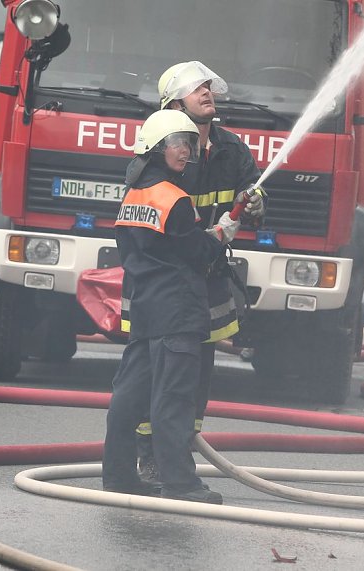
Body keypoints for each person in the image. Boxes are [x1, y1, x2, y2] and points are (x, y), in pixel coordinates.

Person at [135, 61, 265, 484]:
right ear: (174, 104)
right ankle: (150, 455)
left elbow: (253, 196)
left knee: (197, 373)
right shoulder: (166, 151)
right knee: (154, 373)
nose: (207, 91)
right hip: (167, 278)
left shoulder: (233, 149)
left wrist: (259, 206)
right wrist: (209, 236)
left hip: (207, 279)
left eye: (209, 85)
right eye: (196, 88)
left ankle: (180, 451)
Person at [102, 109, 239, 504]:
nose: (186, 152)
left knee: (128, 399)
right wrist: (220, 234)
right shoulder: (176, 199)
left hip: (145, 309)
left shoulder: (132, 196)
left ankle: (119, 476)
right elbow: (196, 253)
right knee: (174, 400)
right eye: (179, 144)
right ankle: (181, 483)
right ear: (155, 149)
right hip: (178, 311)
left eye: (189, 144)